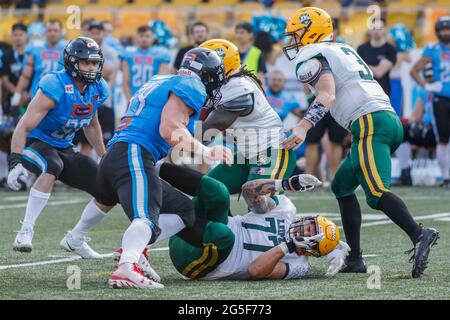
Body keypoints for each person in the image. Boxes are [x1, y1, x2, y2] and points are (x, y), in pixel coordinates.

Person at [281, 7, 439, 278]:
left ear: (311, 32)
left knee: (376, 193)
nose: (293, 42)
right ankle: (355, 258)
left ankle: (419, 233)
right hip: (380, 119)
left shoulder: (312, 55)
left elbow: (327, 96)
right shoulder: (343, 49)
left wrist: (304, 125)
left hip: (369, 122)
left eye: (297, 35)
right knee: (342, 186)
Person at [63, 48, 231, 289]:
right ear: (204, 74)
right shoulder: (191, 85)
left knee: (183, 209)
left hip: (119, 154)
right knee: (146, 217)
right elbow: (169, 129)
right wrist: (206, 152)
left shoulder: (160, 79)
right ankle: (126, 268)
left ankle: (126, 249)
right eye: (214, 76)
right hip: (134, 153)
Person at [157, 164, 348, 280]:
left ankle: (156, 223)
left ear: (313, 248)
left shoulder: (299, 265)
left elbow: (255, 270)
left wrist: (287, 246)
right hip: (205, 230)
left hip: (201, 260)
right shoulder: (284, 211)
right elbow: (248, 190)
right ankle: (153, 167)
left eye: (309, 234)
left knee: (222, 235)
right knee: (218, 191)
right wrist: (285, 184)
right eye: (308, 226)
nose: (303, 231)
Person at [7, 37, 109, 253]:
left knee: (106, 188)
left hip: (64, 146)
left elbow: (92, 124)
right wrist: (14, 162)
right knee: (52, 166)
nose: (91, 67)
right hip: (35, 142)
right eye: (85, 62)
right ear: (72, 63)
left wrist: (104, 156)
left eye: (94, 63)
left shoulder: (98, 88)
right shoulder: (55, 85)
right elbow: (23, 127)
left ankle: (76, 238)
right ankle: (25, 231)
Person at [200, 39, 297, 205]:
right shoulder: (221, 85)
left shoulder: (238, 88)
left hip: (272, 152)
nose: (200, 72)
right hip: (247, 154)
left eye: (204, 66)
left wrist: (167, 143)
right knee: (205, 192)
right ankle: (224, 230)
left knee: (259, 202)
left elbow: (207, 131)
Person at [410, 16, 450, 188]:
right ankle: (446, 177)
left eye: (447, 28)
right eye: (442, 29)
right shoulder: (432, 49)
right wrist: (427, 85)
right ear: (437, 31)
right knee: (443, 139)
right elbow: (414, 70)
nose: (445, 32)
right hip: (440, 98)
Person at [11, 20, 66, 110]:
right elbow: (26, 76)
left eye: (55, 30)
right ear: (45, 32)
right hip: (38, 93)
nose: (52, 33)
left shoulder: (67, 48)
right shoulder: (35, 47)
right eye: (49, 30)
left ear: (61, 32)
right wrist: (17, 97)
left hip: (61, 94)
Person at [121, 25, 171, 102]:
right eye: (141, 36)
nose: (144, 39)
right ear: (136, 38)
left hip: (153, 99)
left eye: (147, 36)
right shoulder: (129, 53)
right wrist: (130, 100)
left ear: (153, 38)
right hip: (134, 98)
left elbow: (162, 81)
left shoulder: (161, 53)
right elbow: (125, 81)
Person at [357, 19, 397, 97]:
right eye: (373, 28)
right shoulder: (361, 49)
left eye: (379, 28)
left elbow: (379, 72)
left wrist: (363, 65)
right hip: (364, 92)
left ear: (385, 30)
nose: (376, 31)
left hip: (382, 93)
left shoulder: (390, 49)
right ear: (369, 30)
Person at [1, 23, 28, 118]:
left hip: (30, 96)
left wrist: (27, 95)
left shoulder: (33, 54)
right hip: (11, 97)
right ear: (12, 36)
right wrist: (18, 95)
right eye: (15, 35)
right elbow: (5, 80)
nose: (18, 37)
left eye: (21, 34)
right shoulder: (6, 55)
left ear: (26, 36)